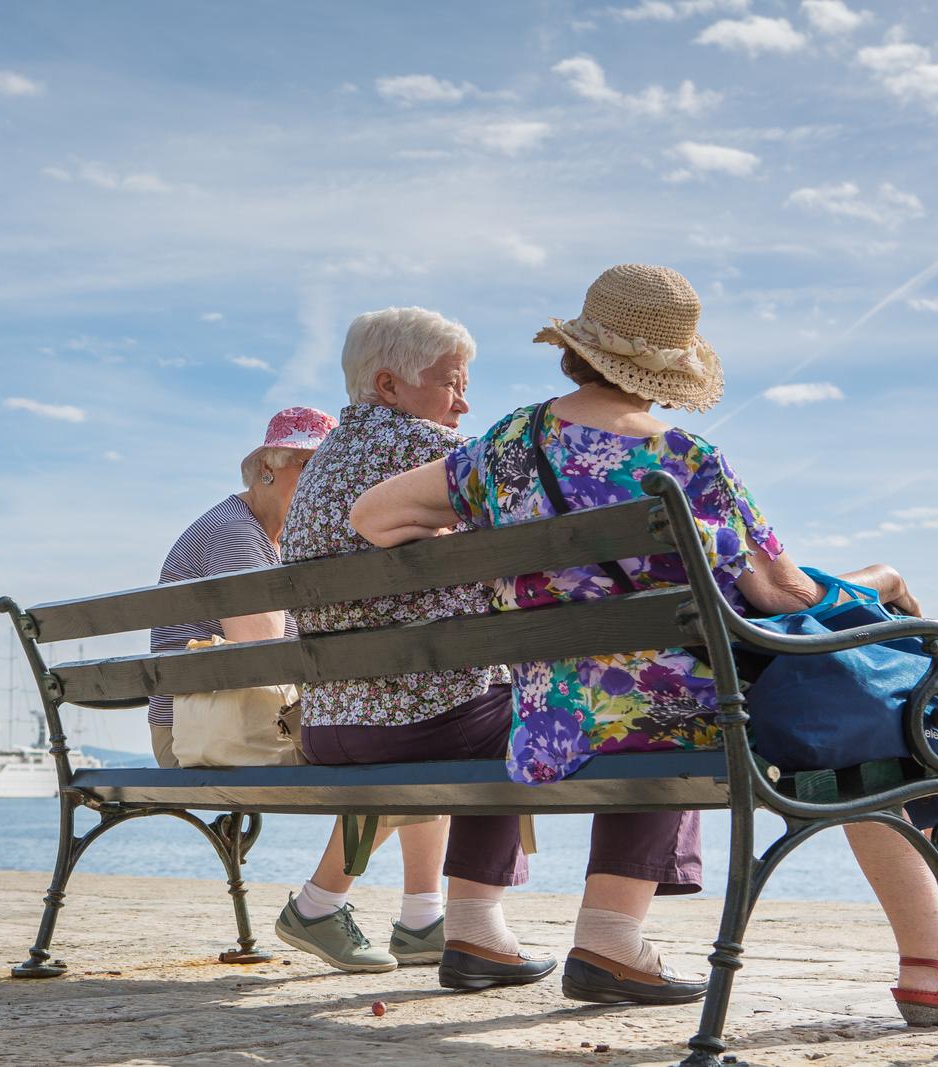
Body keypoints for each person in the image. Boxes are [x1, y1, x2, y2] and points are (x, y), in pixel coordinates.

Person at [350, 262, 938, 1021]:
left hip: (550, 719)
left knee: (849, 709)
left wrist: (496, 541)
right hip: (681, 715)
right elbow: (781, 593)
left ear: (579, 348)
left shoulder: (509, 442)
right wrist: (878, 584)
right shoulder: (687, 458)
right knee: (860, 720)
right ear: (666, 366)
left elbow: (373, 517)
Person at [282, 306, 703, 996]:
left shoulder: (324, 460)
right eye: (452, 384)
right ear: (388, 384)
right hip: (420, 716)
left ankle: (475, 932)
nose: (464, 402)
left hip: (328, 727)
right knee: (605, 711)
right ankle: (557, 935)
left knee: (505, 709)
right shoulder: (429, 451)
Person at [147, 404, 450, 974]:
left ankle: (421, 920)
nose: (316, 482)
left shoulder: (267, 535)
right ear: (267, 466)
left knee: (422, 728)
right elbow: (264, 656)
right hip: (206, 734)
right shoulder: (238, 533)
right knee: (400, 742)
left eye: (325, 468)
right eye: (304, 466)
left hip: (229, 721)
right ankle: (322, 908)